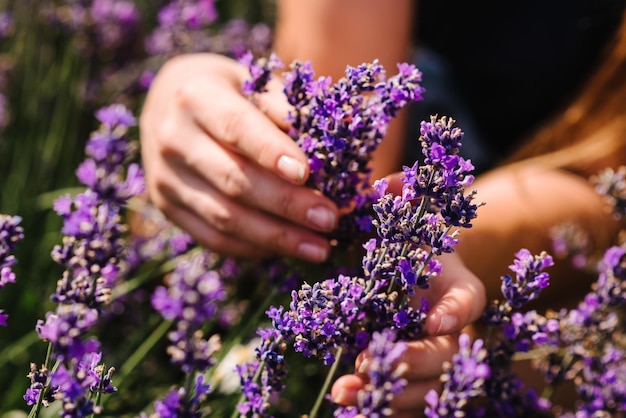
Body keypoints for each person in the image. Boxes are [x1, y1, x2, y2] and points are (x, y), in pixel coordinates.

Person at [139, 1, 626, 415]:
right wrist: (210, 99)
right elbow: (330, 151)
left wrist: (436, 248)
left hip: (538, 251)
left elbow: (608, 189)